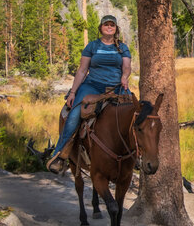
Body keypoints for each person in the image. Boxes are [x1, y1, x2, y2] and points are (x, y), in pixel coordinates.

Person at [46, 15, 132, 174]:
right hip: (92, 85)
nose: (109, 27)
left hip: (116, 85)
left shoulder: (122, 47)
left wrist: (124, 77)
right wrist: (73, 92)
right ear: (100, 28)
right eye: (106, 24)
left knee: (135, 110)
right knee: (75, 113)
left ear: (116, 29)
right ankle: (60, 154)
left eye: (112, 25)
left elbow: (126, 67)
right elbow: (82, 70)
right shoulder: (92, 46)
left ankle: (136, 154)